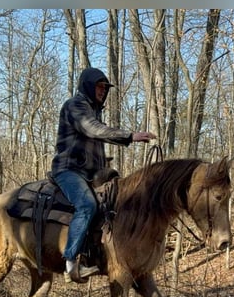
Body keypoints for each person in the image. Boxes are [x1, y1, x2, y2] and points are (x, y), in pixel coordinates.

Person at [51, 67, 156, 283]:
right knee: (87, 205)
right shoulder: (75, 106)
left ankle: (103, 256)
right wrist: (130, 136)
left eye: (105, 88)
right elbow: (93, 129)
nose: (102, 91)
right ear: (88, 86)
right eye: (99, 86)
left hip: (91, 173)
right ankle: (71, 261)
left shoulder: (94, 110)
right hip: (68, 170)